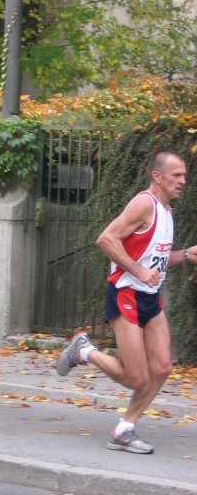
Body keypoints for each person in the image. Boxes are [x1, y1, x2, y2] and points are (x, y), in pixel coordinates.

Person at [56, 150, 196, 454]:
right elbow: (106, 238)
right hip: (126, 294)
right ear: (157, 177)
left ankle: (124, 430)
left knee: (161, 368)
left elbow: (154, 260)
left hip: (149, 297)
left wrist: (185, 255)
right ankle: (85, 351)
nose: (183, 180)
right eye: (177, 175)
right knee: (136, 377)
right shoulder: (144, 203)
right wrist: (138, 271)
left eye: (185, 175)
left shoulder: (167, 211)